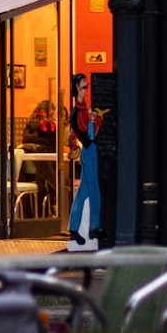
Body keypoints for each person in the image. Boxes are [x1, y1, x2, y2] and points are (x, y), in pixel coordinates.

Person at [67, 73, 105, 244]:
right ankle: (93, 228)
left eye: (86, 86)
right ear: (77, 89)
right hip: (90, 151)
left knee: (83, 192)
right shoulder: (80, 112)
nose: (86, 90)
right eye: (84, 87)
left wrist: (74, 147)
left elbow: (72, 135)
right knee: (94, 191)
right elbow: (90, 134)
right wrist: (96, 121)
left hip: (87, 151)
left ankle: (74, 228)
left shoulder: (79, 111)